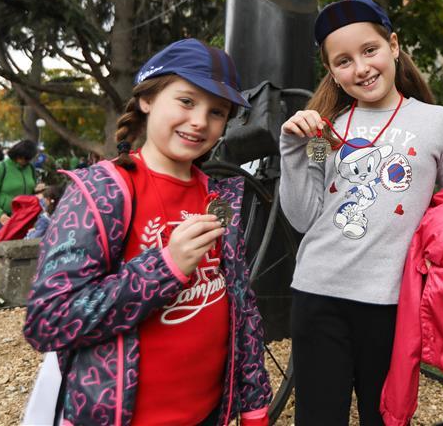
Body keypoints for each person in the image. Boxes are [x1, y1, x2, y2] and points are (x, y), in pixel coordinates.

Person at [23, 38, 272, 426]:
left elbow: (242, 308)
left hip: (209, 415)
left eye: (217, 112)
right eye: (186, 101)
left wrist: (255, 405)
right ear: (147, 99)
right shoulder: (100, 193)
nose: (200, 122)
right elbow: (48, 321)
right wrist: (165, 267)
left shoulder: (219, 196)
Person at [279, 0, 443, 425]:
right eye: (343, 61)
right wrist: (292, 150)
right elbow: (304, 217)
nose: (361, 68)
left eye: (370, 50)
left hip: (392, 304)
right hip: (318, 294)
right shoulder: (324, 129)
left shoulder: (439, 121)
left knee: (384, 417)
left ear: (394, 46)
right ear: (331, 71)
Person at [0, 139, 37, 275]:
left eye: (29, 159)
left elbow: (30, 191)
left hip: (20, 218)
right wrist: (0, 215)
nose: (26, 162)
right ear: (16, 155)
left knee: (14, 256)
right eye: (24, 158)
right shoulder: (0, 168)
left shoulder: (30, 169)